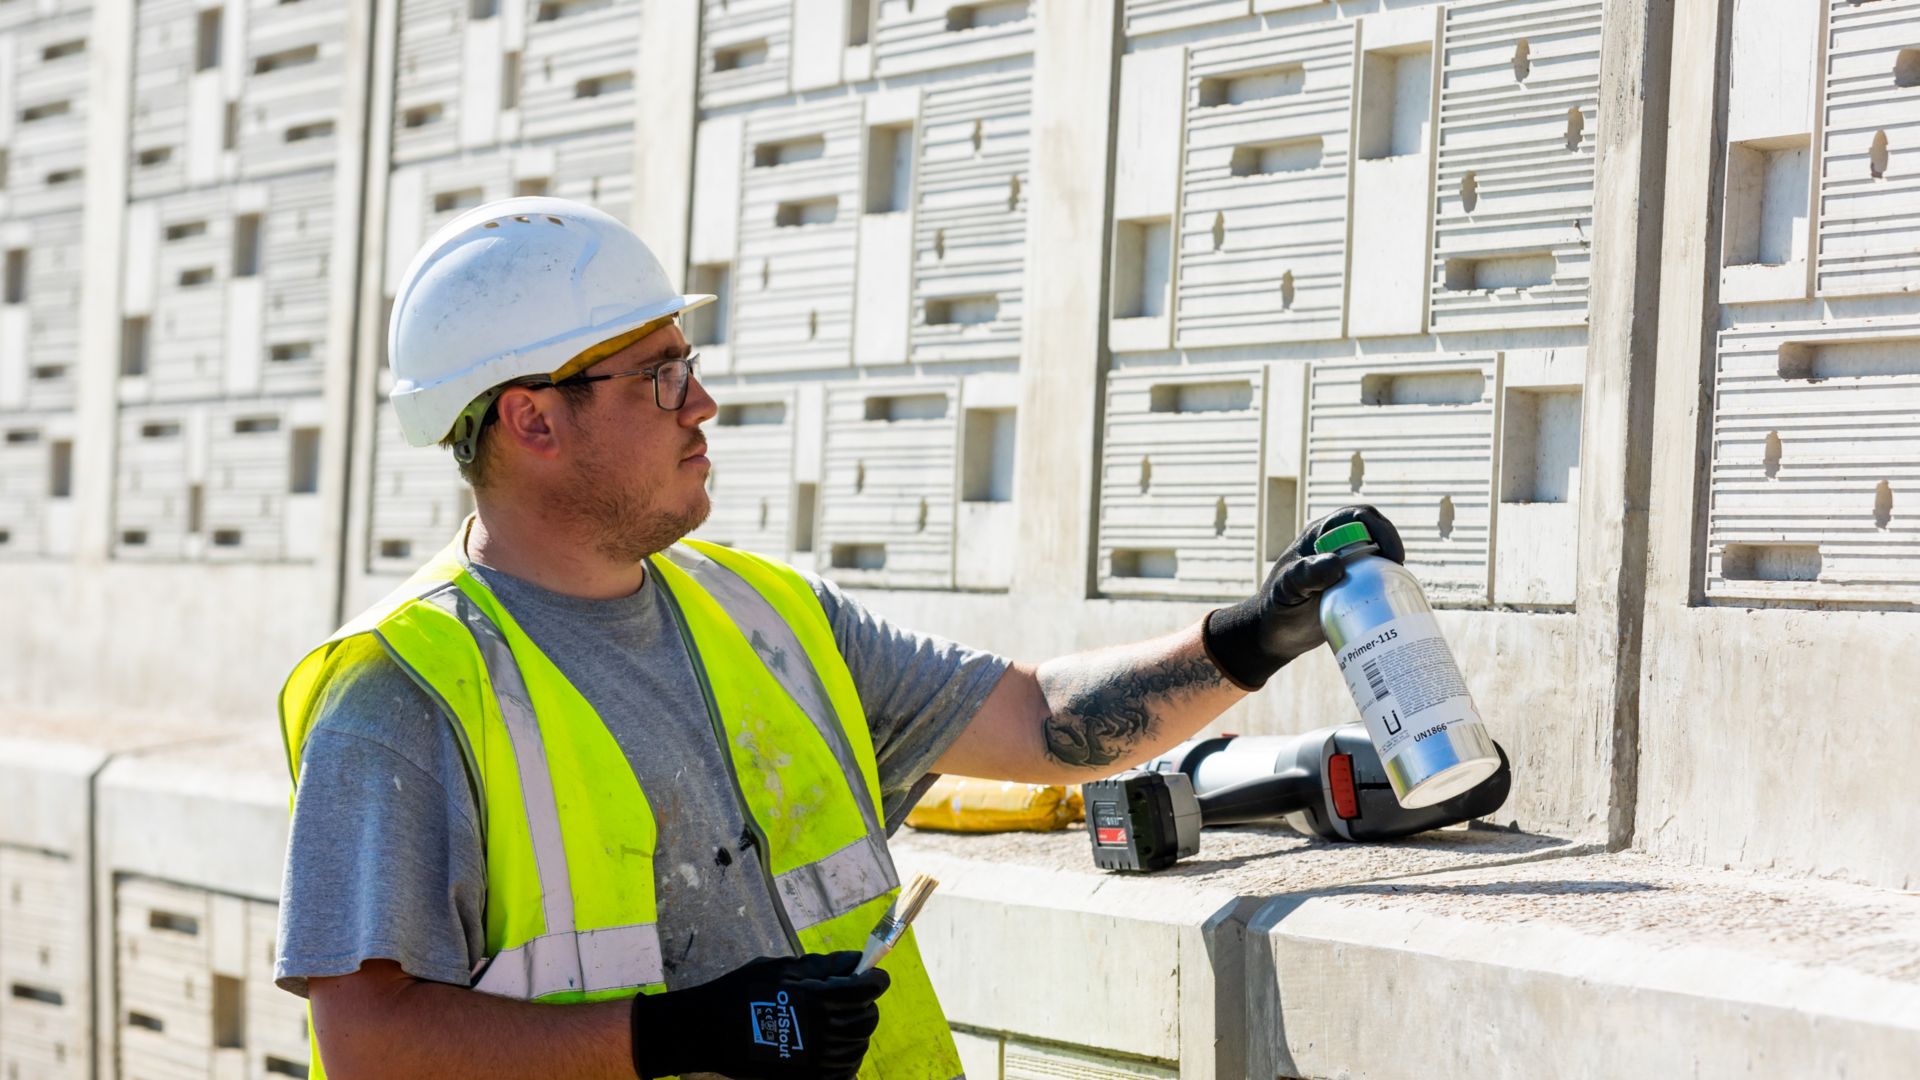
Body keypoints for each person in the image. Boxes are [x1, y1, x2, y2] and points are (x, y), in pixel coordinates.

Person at [275, 197, 1405, 1080]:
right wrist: (680, 1036)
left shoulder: (759, 612)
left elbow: (1040, 720)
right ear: (531, 418)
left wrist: (1259, 633)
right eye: (661, 374)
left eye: (691, 364)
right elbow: (373, 1048)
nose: (701, 404)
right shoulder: (402, 698)